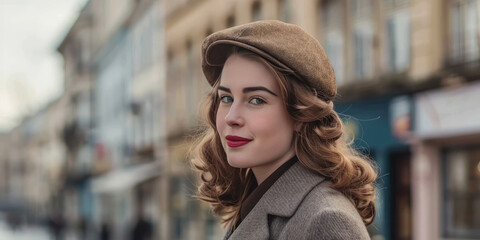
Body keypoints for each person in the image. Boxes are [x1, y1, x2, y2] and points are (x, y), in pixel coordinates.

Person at [192, 20, 377, 239]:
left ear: (301, 113)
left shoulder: (326, 219)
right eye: (226, 98)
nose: (232, 117)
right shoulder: (259, 200)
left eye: (256, 100)